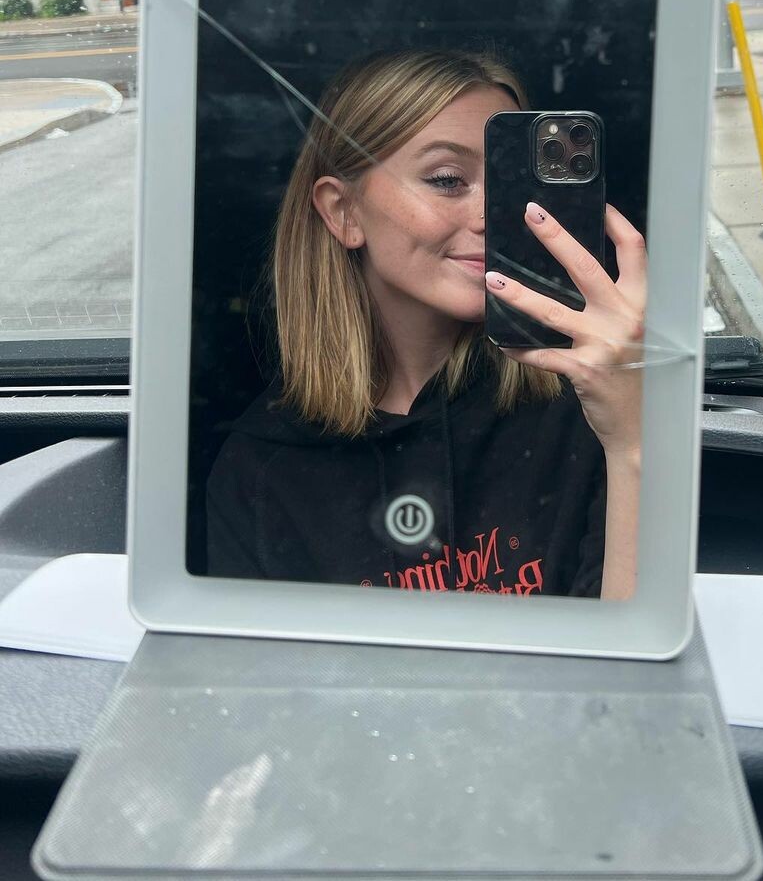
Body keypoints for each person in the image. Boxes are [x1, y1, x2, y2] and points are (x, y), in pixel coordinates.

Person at [206, 48, 645, 599]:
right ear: (343, 212)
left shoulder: (587, 403)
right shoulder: (261, 473)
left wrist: (633, 443)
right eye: (447, 179)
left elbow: (630, 648)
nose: (492, 215)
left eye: (511, 182)